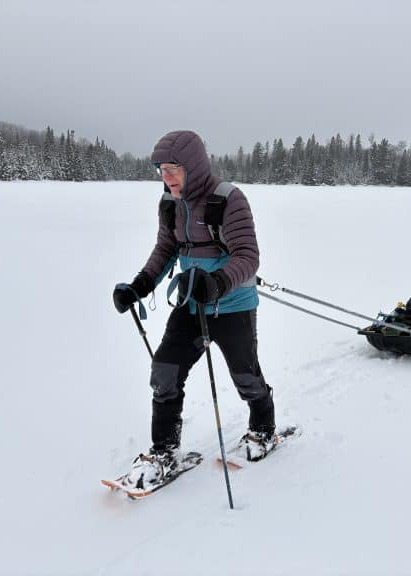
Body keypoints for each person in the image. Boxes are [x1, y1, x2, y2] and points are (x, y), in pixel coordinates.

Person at [112, 130, 275, 484]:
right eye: (162, 170)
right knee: (165, 372)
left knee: (246, 376)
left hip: (233, 306)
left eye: (174, 169)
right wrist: (139, 286)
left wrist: (215, 282)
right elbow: (166, 251)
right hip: (191, 306)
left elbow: (248, 256)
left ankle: (263, 428)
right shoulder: (171, 205)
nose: (166, 178)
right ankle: (164, 451)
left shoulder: (228, 200)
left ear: (195, 168)